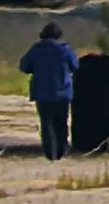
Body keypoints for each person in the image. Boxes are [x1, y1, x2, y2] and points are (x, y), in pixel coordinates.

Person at [18, 22, 80, 160]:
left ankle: (49, 152)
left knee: (46, 123)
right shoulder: (65, 49)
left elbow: (24, 66)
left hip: (42, 92)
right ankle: (61, 150)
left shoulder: (36, 49)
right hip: (62, 92)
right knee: (61, 122)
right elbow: (75, 66)